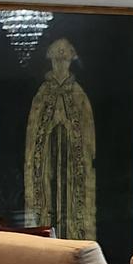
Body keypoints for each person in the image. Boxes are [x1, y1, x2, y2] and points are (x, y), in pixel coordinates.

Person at [24, 37, 96, 241]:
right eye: (57, 60)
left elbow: (87, 136)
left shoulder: (78, 94)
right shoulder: (43, 93)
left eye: (64, 60)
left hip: (72, 168)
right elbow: (35, 134)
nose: (60, 64)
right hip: (48, 164)